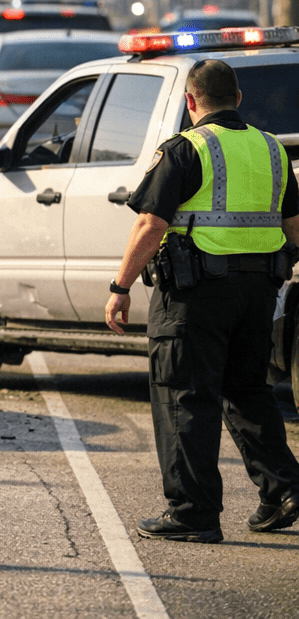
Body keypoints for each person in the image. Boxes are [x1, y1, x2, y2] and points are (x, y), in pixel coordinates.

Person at [105, 59, 299, 542]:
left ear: (190, 100)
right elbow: (294, 227)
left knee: (184, 394)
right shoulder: (271, 149)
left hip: (195, 296)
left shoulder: (185, 149)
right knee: (247, 389)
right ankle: (285, 489)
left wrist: (120, 288)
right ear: (239, 98)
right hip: (259, 294)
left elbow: (150, 224)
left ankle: (193, 513)